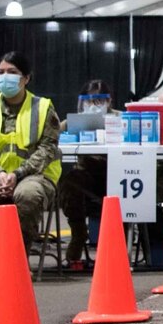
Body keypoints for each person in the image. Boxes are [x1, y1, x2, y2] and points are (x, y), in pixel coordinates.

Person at [0, 51, 60, 285]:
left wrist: (17, 175)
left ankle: (20, 259)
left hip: (32, 176)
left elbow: (47, 149)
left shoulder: (44, 108)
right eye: (1, 72)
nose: (5, 77)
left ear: (26, 78)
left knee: (28, 195)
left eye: (12, 72)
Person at [55, 77, 112, 267]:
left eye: (98, 101)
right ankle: (78, 234)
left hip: (114, 173)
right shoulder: (72, 122)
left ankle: (117, 245)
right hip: (86, 174)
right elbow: (51, 138)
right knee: (70, 183)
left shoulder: (120, 119)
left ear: (108, 101)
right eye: (89, 101)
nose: (94, 106)